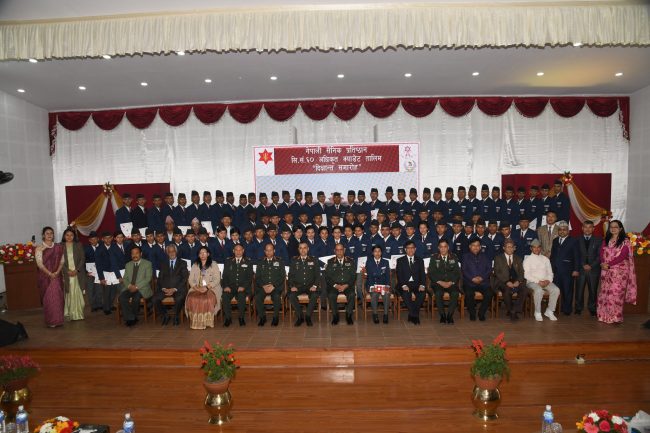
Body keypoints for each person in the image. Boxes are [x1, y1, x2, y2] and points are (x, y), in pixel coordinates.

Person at [597, 220, 637, 324]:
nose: (613, 229)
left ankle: (615, 317)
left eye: (615, 227)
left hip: (619, 273)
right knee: (605, 293)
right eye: (611, 227)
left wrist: (609, 264)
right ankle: (603, 315)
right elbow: (601, 252)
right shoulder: (606, 240)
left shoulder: (625, 241)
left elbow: (622, 256)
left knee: (616, 294)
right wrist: (602, 263)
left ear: (620, 229)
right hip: (606, 270)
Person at [186, 246, 222, 329]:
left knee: (207, 299)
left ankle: (207, 322)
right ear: (198, 255)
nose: (202, 254)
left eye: (204, 253)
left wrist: (207, 287)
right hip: (197, 287)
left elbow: (217, 279)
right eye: (200, 253)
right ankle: (196, 322)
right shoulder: (195, 265)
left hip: (212, 288)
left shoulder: (213, 264)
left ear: (208, 254)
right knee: (192, 298)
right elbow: (190, 279)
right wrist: (197, 288)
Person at [35, 226, 64, 327]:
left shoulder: (58, 247)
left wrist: (57, 272)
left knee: (58, 298)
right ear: (43, 235)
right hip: (45, 277)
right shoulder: (39, 248)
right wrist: (50, 273)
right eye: (47, 233)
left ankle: (59, 320)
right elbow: (39, 264)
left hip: (57, 276)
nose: (49, 235)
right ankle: (51, 321)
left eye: (51, 233)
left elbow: (62, 261)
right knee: (49, 299)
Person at [523, 239, 560, 321]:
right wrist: (538, 281)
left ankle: (550, 311)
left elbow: (550, 273)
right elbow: (526, 275)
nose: (536, 249)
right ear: (531, 248)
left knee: (556, 289)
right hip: (532, 282)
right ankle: (537, 312)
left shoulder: (545, 259)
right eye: (534, 247)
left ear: (541, 248)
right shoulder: (527, 260)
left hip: (546, 281)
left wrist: (548, 280)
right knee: (539, 290)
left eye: (538, 247)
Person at [153, 244, 189, 326]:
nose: (172, 253)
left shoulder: (182, 263)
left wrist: (174, 289)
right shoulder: (163, 263)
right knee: (155, 299)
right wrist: (163, 288)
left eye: (173, 251)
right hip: (165, 289)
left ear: (176, 252)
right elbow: (160, 278)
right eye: (169, 252)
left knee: (179, 298)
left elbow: (184, 278)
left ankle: (176, 316)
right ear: (167, 253)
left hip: (178, 289)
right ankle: (165, 315)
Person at [428, 239, 461, 324]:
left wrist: (451, 282)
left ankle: (450, 316)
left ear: (448, 247)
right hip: (438, 283)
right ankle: (442, 316)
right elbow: (431, 273)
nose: (443, 249)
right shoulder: (434, 257)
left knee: (455, 293)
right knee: (438, 293)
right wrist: (440, 282)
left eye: (445, 247)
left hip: (451, 283)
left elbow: (457, 272)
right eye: (441, 247)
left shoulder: (453, 257)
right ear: (438, 248)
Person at [118, 246, 153, 327]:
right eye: (132, 254)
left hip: (142, 288)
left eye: (136, 253)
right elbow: (125, 278)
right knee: (122, 297)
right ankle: (131, 317)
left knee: (136, 298)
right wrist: (129, 286)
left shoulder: (147, 264)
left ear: (141, 254)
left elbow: (148, 278)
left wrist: (136, 287)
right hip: (129, 287)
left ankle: (132, 318)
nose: (134, 255)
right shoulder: (128, 265)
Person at [288, 242, 320, 327]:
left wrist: (315, 286)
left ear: (308, 249)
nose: (303, 250)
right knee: (291, 295)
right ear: (298, 250)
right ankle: (300, 316)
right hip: (298, 286)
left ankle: (308, 316)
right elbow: (290, 275)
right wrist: (292, 286)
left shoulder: (313, 260)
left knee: (315, 295)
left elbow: (317, 275)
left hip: (310, 286)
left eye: (305, 248)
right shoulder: (294, 260)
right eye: (301, 248)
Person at [492, 239, 526, 321]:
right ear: (504, 248)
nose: (510, 249)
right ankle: (512, 311)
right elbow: (497, 272)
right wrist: (507, 281)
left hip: (515, 281)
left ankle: (513, 310)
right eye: (508, 247)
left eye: (512, 247)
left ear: (514, 248)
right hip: (502, 281)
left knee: (524, 289)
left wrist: (518, 281)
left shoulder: (518, 258)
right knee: (507, 290)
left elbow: (521, 272)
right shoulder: (498, 258)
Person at [550, 221, 579, 315]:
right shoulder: (555, 240)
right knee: (556, 290)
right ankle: (557, 308)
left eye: (564, 230)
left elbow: (577, 256)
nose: (562, 231)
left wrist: (576, 269)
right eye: (560, 230)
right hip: (556, 271)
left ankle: (567, 310)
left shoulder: (573, 241)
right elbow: (552, 256)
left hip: (568, 271)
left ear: (568, 231)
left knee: (567, 291)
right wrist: (551, 269)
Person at [221, 244, 254, 327]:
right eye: (236, 250)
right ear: (233, 251)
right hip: (230, 287)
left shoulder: (248, 262)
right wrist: (226, 286)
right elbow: (224, 276)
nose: (238, 252)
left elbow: (249, 277)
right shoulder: (228, 261)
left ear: (243, 251)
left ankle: (241, 318)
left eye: (240, 250)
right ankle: (228, 318)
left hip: (243, 287)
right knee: (225, 296)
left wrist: (244, 286)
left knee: (241, 296)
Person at [254, 243, 286, 327]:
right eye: (267, 250)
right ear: (264, 251)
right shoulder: (260, 262)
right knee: (257, 297)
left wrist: (273, 285)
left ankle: (275, 318)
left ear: (274, 251)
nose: (269, 252)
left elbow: (282, 276)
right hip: (263, 287)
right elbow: (257, 277)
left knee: (276, 297)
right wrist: (263, 286)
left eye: (270, 250)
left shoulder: (279, 261)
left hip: (275, 287)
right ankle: (262, 317)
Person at [325, 242, 357, 325]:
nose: (339, 252)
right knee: (331, 295)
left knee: (352, 294)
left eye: (341, 250)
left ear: (344, 250)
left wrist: (346, 285)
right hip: (334, 286)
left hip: (347, 285)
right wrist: (336, 285)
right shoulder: (330, 261)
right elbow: (327, 277)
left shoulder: (350, 261)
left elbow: (353, 276)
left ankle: (348, 315)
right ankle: (335, 316)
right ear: (334, 251)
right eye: (337, 250)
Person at [462, 238, 493, 321]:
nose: (475, 247)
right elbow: (464, 270)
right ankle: (472, 313)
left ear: (480, 247)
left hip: (483, 282)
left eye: (477, 245)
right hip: (469, 282)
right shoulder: (465, 256)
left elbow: (489, 269)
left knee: (489, 293)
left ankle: (481, 313)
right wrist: (472, 278)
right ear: (470, 246)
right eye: (473, 245)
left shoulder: (485, 256)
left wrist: (482, 277)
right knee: (469, 294)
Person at [396, 240, 426, 325]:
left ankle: (412, 314)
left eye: (412, 248)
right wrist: (404, 285)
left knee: (422, 293)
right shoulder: (400, 260)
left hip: (416, 285)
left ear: (415, 249)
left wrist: (422, 285)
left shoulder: (420, 260)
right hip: (404, 284)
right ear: (405, 249)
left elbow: (422, 274)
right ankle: (415, 315)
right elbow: (399, 275)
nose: (410, 250)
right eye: (408, 248)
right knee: (406, 293)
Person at [575, 220, 602, 316]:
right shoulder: (577, 239)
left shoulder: (599, 240)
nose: (587, 229)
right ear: (582, 228)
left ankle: (592, 308)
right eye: (585, 227)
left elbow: (600, 255)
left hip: (593, 269)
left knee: (593, 290)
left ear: (593, 229)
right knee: (579, 290)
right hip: (581, 268)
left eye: (590, 227)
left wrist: (591, 265)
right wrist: (583, 264)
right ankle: (578, 308)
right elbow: (576, 254)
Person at [61, 227, 86, 321]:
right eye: (67, 235)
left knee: (77, 293)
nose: (69, 237)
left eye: (71, 235)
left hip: (77, 273)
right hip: (67, 274)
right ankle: (69, 313)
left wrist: (76, 270)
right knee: (69, 293)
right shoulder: (60, 246)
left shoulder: (78, 245)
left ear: (74, 236)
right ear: (64, 236)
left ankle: (78, 313)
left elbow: (82, 258)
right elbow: (59, 261)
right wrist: (67, 271)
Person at [365, 245, 391, 324]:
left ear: (381, 252)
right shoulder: (369, 262)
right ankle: (375, 314)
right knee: (374, 294)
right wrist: (372, 287)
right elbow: (369, 276)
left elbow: (387, 276)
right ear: (372, 253)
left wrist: (387, 286)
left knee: (386, 294)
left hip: (383, 285)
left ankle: (386, 315)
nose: (377, 253)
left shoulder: (385, 262)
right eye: (375, 251)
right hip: (373, 284)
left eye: (379, 251)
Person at [84, 231, 103, 312]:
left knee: (99, 289)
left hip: (99, 272)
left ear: (98, 239)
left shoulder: (102, 247)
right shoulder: (85, 248)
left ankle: (99, 304)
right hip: (90, 272)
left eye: (95, 239)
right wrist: (86, 272)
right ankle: (93, 305)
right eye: (91, 239)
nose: (93, 241)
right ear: (89, 240)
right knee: (90, 289)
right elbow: (82, 261)